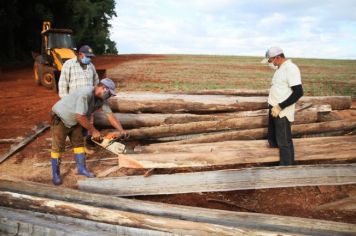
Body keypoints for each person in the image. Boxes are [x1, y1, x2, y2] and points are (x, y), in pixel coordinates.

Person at [50, 78, 127, 185]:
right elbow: (80, 116)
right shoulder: (85, 94)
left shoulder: (101, 99)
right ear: (103, 88)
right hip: (61, 118)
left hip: (76, 120)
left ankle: (81, 169)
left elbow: (110, 116)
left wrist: (121, 130)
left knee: (79, 144)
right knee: (57, 147)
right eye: (109, 93)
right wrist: (94, 131)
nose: (109, 96)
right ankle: (55, 175)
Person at [261, 47, 304, 166]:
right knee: (274, 139)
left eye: (271, 61)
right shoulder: (280, 68)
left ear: (278, 58)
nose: (270, 63)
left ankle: (287, 169)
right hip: (274, 110)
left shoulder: (291, 69)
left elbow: (298, 92)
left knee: (284, 142)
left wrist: (280, 106)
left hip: (282, 112)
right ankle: (276, 163)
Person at [58, 45, 100, 154]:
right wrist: (65, 101)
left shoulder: (91, 66)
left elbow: (96, 81)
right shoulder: (69, 65)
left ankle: (84, 145)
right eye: (88, 56)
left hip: (88, 101)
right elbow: (63, 84)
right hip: (74, 102)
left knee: (86, 124)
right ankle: (78, 147)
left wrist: (94, 97)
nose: (90, 59)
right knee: (76, 125)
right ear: (80, 55)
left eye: (91, 57)